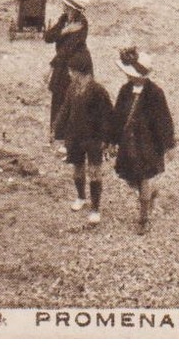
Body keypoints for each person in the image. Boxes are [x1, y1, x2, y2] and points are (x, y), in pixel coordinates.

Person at [111, 47, 177, 234]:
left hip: (147, 144)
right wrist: (112, 139)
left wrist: (169, 144)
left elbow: (164, 119)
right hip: (127, 143)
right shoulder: (125, 90)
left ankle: (143, 218)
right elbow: (117, 116)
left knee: (144, 177)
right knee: (130, 179)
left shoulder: (155, 93)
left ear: (141, 75)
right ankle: (149, 195)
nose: (128, 76)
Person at [56, 50, 115, 226]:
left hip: (93, 139)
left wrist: (106, 139)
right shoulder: (72, 88)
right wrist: (57, 129)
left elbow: (107, 116)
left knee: (95, 172)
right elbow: (65, 109)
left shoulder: (98, 91)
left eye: (71, 70)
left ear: (81, 71)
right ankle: (81, 197)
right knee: (77, 168)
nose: (69, 73)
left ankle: (95, 208)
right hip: (74, 136)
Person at [43, 0, 93, 140]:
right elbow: (48, 37)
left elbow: (68, 49)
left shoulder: (82, 24)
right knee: (58, 95)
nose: (63, 7)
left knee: (73, 97)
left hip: (76, 63)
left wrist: (51, 66)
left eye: (66, 5)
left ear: (73, 8)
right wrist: (64, 31)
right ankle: (57, 132)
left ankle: (72, 135)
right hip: (63, 62)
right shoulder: (64, 19)